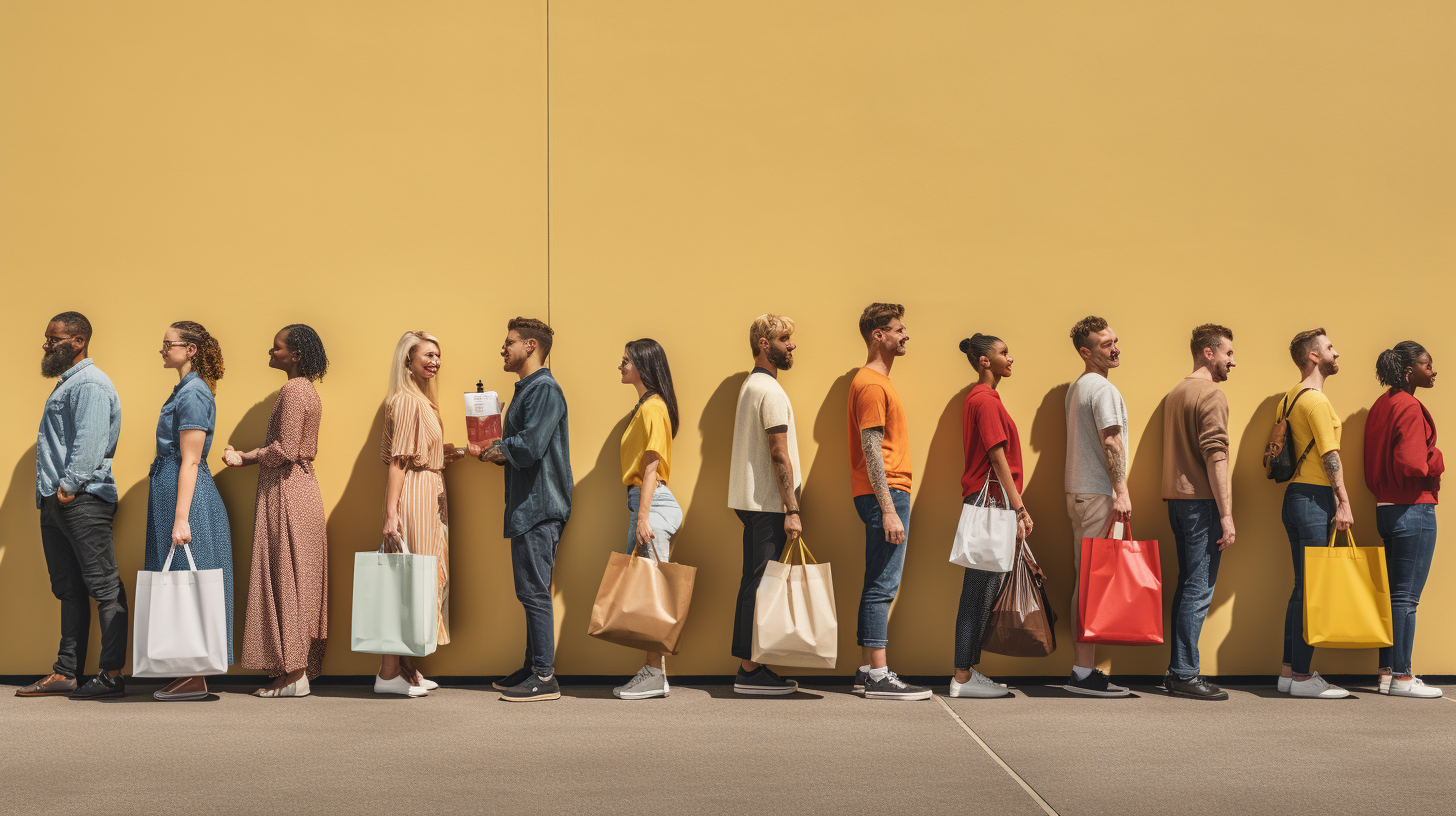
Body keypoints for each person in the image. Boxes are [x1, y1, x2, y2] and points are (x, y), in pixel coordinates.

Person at [19, 312, 128, 700]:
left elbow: (90, 439)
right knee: (69, 589)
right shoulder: (70, 384)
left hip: (81, 499)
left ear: (78, 341)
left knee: (104, 586)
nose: (46, 345)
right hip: (57, 499)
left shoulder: (91, 384)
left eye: (54, 339)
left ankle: (112, 674)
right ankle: (66, 672)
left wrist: (68, 486)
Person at [224, 325, 330, 698]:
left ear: (295, 355)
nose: (271, 353)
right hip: (303, 488)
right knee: (299, 580)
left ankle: (294, 673)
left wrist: (243, 457)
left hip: (287, 490)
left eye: (277, 348)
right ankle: (295, 670)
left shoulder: (292, 390)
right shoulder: (308, 392)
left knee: (286, 578)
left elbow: (283, 450)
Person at [473, 317, 572, 703]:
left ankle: (544, 676)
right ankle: (533, 667)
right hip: (528, 504)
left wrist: (492, 446)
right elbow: (520, 449)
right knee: (531, 590)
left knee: (534, 592)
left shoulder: (544, 389)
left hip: (539, 505)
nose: (503, 347)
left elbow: (529, 447)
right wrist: (492, 447)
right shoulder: (528, 389)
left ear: (531, 346)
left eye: (509, 341)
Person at [146, 320, 233, 701]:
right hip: (173, 491)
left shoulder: (194, 393)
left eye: (169, 343)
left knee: (186, 576)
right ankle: (185, 669)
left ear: (191, 349)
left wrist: (182, 518)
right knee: (178, 579)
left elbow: (191, 460)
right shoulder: (185, 389)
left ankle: (195, 674)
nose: (163, 349)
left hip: (187, 496)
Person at [848, 303, 931, 701]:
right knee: (883, 585)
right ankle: (879, 676)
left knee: (876, 582)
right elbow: (871, 447)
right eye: (899, 329)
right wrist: (886, 508)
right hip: (887, 494)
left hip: (886, 494)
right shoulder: (872, 385)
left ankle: (868, 670)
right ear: (878, 335)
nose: (906, 335)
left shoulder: (876, 382)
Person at [377, 330, 466, 697]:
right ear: (408, 361)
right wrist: (391, 514)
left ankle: (408, 669)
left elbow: (411, 453)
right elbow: (397, 462)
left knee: (422, 579)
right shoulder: (408, 402)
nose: (435, 361)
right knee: (406, 582)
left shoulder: (422, 401)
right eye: (427, 355)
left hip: (430, 491)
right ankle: (387, 673)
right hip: (415, 494)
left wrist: (444, 453)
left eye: (438, 355)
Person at [948, 334, 1029, 699]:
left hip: (992, 504)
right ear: (984, 361)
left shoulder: (982, 399)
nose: (1010, 359)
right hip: (993, 505)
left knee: (982, 591)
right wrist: (1019, 507)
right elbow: (997, 456)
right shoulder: (985, 400)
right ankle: (962, 676)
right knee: (977, 591)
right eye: (1003, 353)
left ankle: (967, 671)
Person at [1160, 324, 1237, 700]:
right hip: (1201, 504)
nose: (1232, 362)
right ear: (1209, 352)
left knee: (1188, 584)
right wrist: (1226, 514)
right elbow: (1216, 456)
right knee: (1199, 588)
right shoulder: (1210, 394)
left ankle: (1179, 670)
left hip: (1176, 500)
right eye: (1228, 353)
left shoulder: (1176, 393)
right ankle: (1185, 674)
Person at [1275, 328, 1353, 699]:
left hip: (1293, 498)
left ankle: (1290, 672)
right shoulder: (1318, 402)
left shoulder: (1289, 399)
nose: (1336, 353)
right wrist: (1344, 501)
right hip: (1316, 499)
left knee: (1301, 589)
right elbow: (1329, 455)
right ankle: (1304, 678)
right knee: (1312, 591)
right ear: (1313, 356)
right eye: (1329, 348)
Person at [727, 314, 802, 696]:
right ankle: (749, 670)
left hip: (755, 502)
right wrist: (792, 509)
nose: (792, 346)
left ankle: (751, 665)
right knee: (759, 584)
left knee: (754, 581)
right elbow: (779, 454)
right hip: (769, 504)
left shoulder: (751, 385)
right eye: (785, 339)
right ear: (763, 343)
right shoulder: (770, 391)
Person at [1364, 341, 1443, 698]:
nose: (1434, 370)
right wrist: (1436, 459)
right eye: (1428, 365)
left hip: (1386, 507)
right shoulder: (1410, 406)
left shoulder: (1383, 405)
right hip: (1414, 508)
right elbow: (1414, 463)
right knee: (1405, 598)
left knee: (1393, 596)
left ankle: (1386, 673)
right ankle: (1403, 677)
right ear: (1409, 371)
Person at [1063, 315, 1132, 697]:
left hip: (1079, 493)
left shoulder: (1077, 388)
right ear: (1086, 352)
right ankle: (1083, 672)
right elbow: (1111, 442)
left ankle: (1083, 667)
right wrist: (1120, 490)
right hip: (1098, 494)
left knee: (1085, 579)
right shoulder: (1102, 390)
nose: (1115, 348)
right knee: (1093, 583)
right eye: (1106, 345)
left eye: (1115, 340)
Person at [611, 338, 684, 700]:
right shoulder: (647, 406)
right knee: (646, 591)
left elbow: (651, 466)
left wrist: (643, 517)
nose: (620, 366)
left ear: (643, 364)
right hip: (646, 502)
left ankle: (654, 673)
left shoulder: (653, 406)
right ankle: (655, 672)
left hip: (651, 503)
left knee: (651, 593)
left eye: (626, 360)